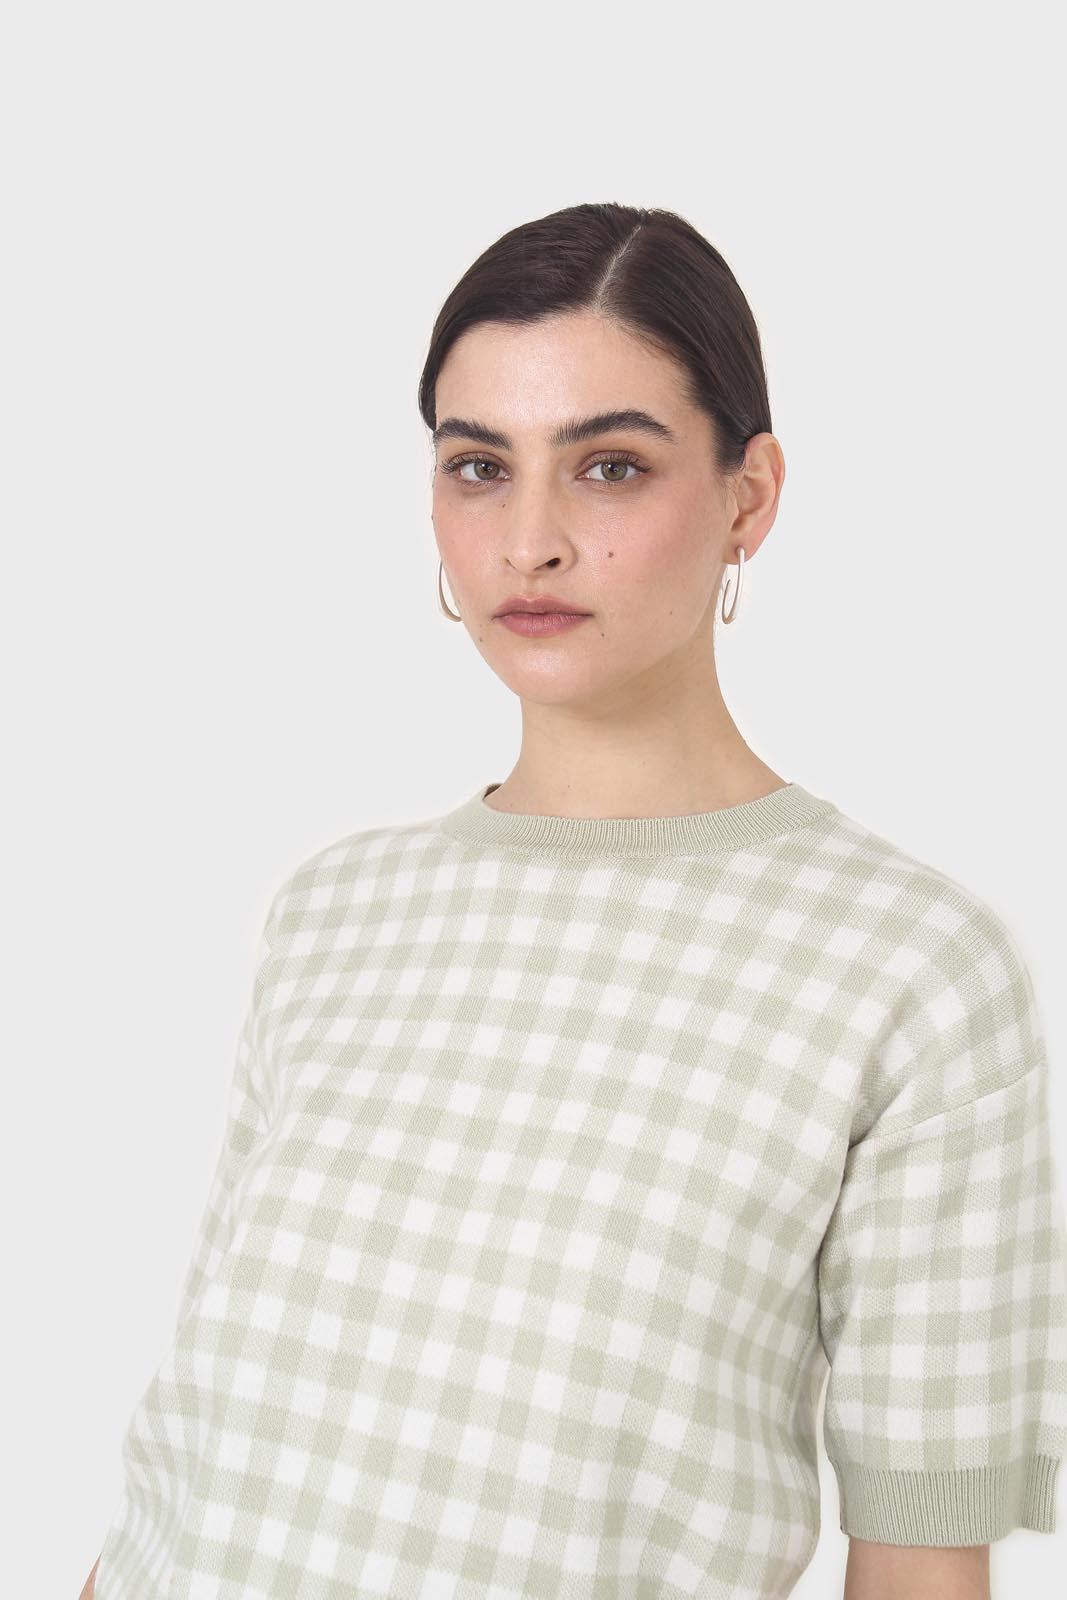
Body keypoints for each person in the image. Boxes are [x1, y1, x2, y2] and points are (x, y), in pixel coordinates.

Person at [85, 202, 1066, 1600]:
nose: (528, 540)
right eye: (479, 468)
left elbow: (919, 1557)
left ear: (749, 496)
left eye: (609, 467)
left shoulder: (910, 970)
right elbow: (200, 1449)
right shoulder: (335, 912)